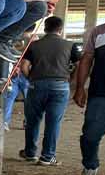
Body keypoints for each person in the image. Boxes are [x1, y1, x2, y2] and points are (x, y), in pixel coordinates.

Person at [17, 16, 77, 165]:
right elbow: (80, 64)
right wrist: (71, 80)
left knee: (32, 120)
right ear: (61, 29)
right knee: (53, 122)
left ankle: (30, 153)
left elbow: (23, 65)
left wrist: (31, 78)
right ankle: (47, 156)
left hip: (37, 85)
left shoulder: (34, 45)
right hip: (60, 86)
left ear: (45, 28)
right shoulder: (70, 45)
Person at [73, 17, 105, 175]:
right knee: (90, 136)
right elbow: (86, 59)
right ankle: (90, 165)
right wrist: (80, 88)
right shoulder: (99, 31)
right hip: (100, 94)